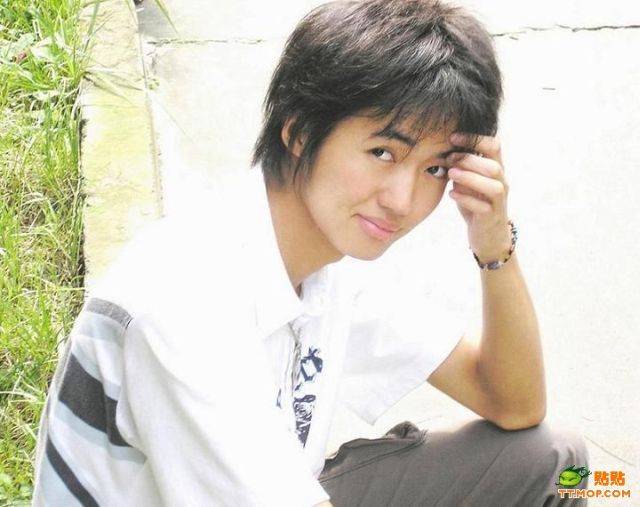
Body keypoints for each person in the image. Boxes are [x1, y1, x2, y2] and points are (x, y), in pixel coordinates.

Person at [33, 0, 588, 505]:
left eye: (435, 168)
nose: (403, 200)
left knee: (556, 462)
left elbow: (513, 402)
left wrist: (494, 246)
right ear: (299, 132)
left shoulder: (327, 260)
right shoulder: (186, 299)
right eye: (383, 152)